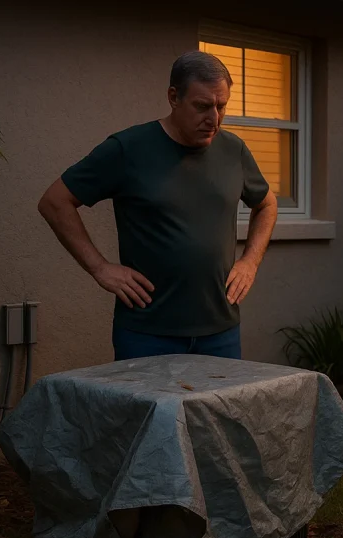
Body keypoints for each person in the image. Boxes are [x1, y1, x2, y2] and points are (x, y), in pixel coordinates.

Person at [37, 51, 278, 361]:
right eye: (203, 107)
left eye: (222, 107)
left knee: (219, 411)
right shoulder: (128, 149)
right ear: (173, 97)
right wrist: (100, 268)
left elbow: (267, 205)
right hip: (146, 335)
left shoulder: (234, 150)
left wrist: (250, 262)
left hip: (221, 333)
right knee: (148, 412)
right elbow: (55, 202)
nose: (214, 120)